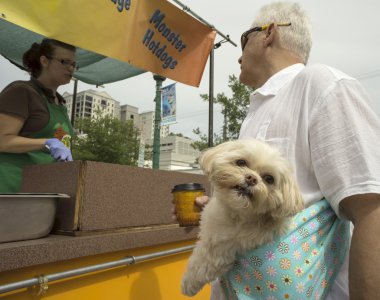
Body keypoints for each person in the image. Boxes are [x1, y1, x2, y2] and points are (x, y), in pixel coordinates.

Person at [178, 2, 380, 299]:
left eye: (244, 40)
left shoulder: (323, 84)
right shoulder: (258, 109)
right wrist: (218, 205)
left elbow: (371, 209)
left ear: (268, 34)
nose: (239, 55)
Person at [0, 38, 76, 192]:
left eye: (74, 64)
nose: (71, 69)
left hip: (44, 192)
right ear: (44, 61)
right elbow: (2, 139)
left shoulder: (60, 104)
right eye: (65, 62)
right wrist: (46, 143)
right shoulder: (21, 91)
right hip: (11, 190)